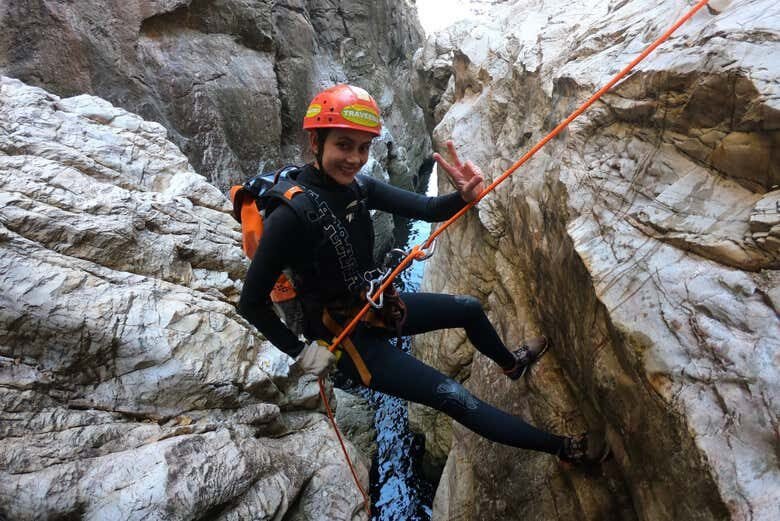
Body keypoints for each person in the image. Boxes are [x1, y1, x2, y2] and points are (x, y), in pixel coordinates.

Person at [238, 84, 609, 465]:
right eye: (343, 145)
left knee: (467, 308)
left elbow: (428, 208)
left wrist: (463, 196)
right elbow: (251, 302)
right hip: (345, 338)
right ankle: (565, 450)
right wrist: (301, 352)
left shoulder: (358, 187)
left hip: (374, 305)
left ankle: (512, 366)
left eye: (363, 148)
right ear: (316, 142)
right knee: (451, 395)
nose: (355, 159)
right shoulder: (290, 216)